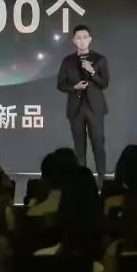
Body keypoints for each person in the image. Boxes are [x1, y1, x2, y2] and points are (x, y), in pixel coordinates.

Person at [56, 24, 110, 185]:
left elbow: (104, 83)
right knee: (79, 147)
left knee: (98, 144)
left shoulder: (99, 59)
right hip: (76, 109)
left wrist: (92, 71)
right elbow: (61, 84)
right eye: (78, 38)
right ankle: (82, 182)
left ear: (90, 39)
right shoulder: (68, 61)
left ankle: (102, 180)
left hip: (94, 108)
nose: (82, 41)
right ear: (74, 40)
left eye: (85, 37)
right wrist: (75, 87)